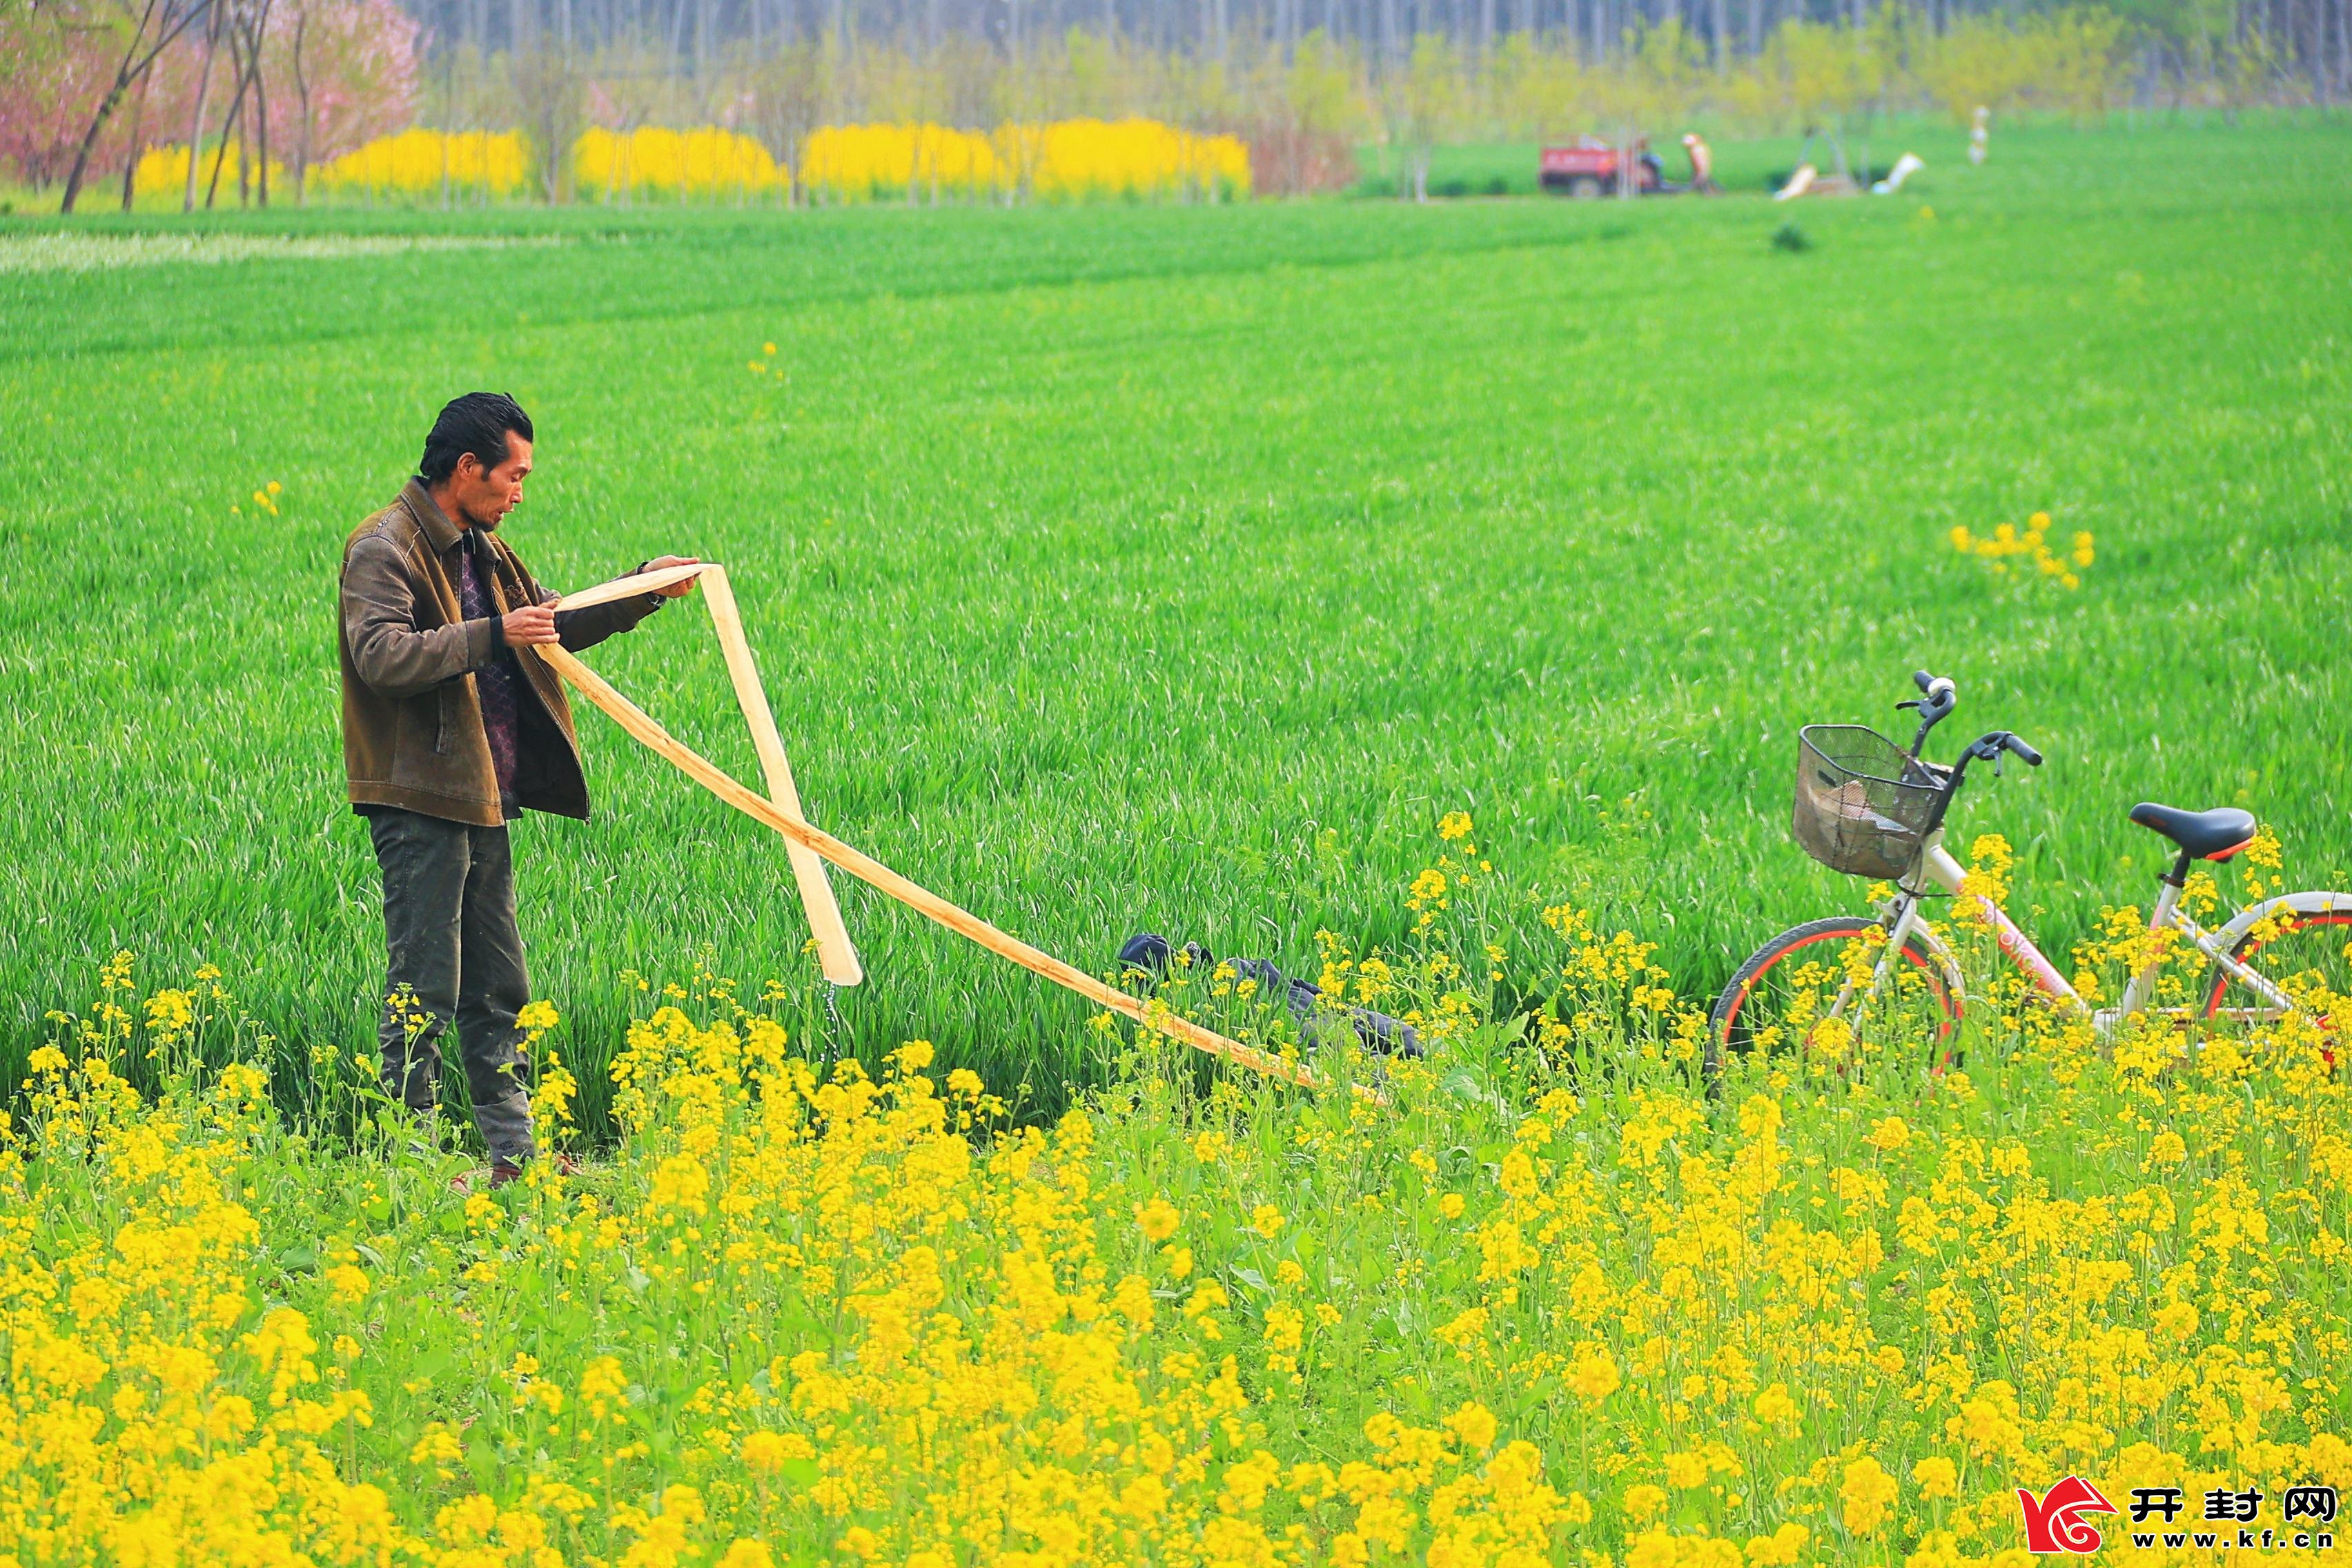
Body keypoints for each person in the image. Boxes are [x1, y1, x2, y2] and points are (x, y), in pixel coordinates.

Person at [339, 392, 700, 1186]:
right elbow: (382, 656)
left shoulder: (482, 548)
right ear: (468, 469)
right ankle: (413, 1168)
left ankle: (515, 1159)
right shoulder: (384, 547)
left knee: (499, 987)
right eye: (514, 475)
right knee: (423, 992)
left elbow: (550, 625)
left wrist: (642, 588)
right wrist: (495, 634)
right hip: (421, 800)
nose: (519, 492)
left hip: (485, 795)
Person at [1117, 934, 1422, 1058]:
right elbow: (1295, 982)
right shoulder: (1233, 967)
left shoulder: (1202, 1007)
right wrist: (1333, 1003)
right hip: (1315, 1008)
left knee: (1356, 1063)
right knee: (1408, 1039)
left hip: (1303, 1025)